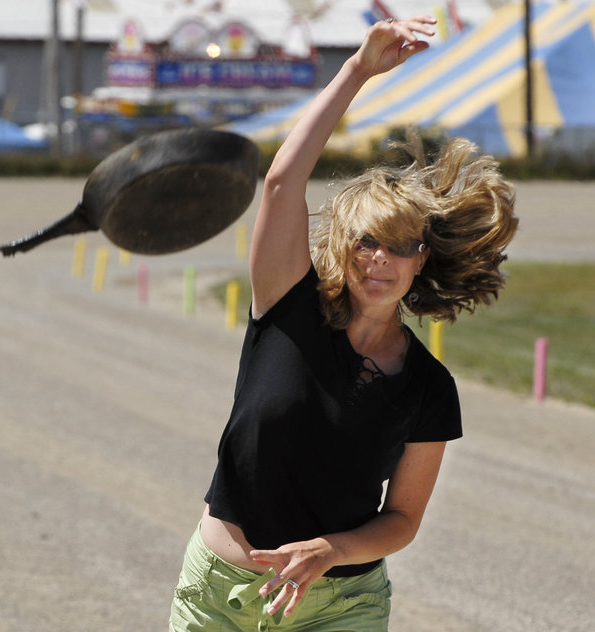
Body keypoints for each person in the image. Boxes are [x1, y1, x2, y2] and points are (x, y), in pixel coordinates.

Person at [169, 15, 518, 632]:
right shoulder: (286, 308)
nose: (382, 259)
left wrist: (331, 551)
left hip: (340, 606)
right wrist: (358, 70)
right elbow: (281, 183)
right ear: (343, 247)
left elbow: (402, 520)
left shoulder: (429, 388)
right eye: (366, 241)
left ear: (422, 259)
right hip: (216, 596)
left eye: (402, 245)